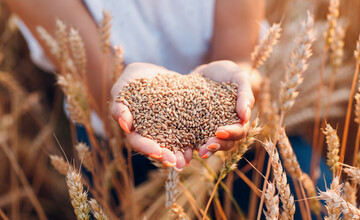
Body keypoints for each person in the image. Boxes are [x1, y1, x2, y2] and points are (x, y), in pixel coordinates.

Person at [4, 0, 264, 171]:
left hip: (233, 148)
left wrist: (240, 87)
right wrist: (132, 102)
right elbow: (101, 84)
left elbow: (237, 55)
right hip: (114, 151)